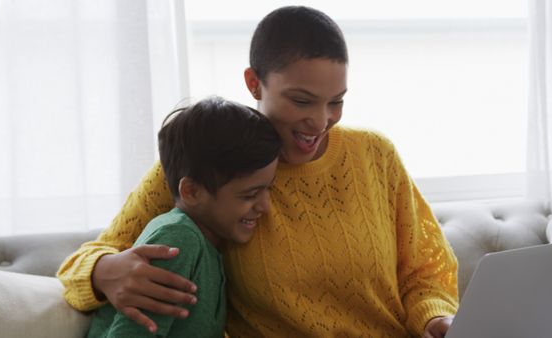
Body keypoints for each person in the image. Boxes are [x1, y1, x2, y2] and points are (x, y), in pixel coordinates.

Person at [58, 6, 459, 337]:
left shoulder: (376, 155)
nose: (320, 122)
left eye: (335, 102)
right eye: (301, 101)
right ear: (254, 83)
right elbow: (85, 259)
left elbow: (423, 271)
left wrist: (434, 318)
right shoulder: (209, 160)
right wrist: (102, 272)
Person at [85, 97, 281, 337]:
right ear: (191, 191)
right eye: (249, 195)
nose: (265, 206)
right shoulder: (177, 241)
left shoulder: (208, 245)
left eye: (268, 189)